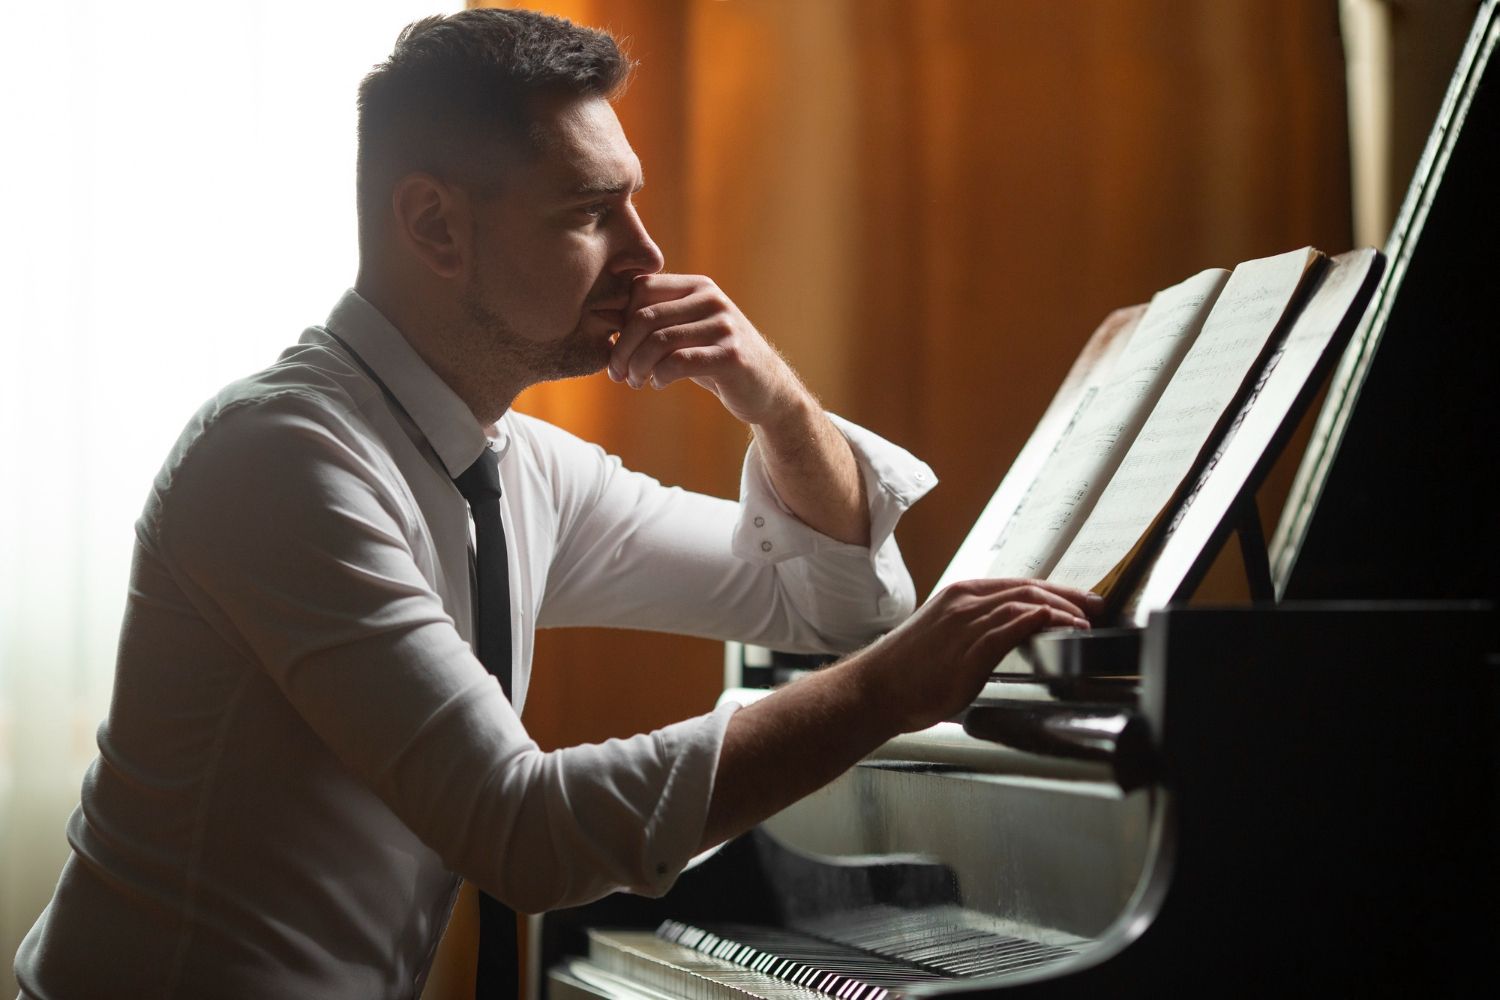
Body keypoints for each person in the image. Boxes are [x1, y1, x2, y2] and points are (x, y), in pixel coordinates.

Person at [13, 9, 1097, 999]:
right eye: (591, 212)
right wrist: (887, 692)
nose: (648, 255)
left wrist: (774, 401)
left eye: (631, 201)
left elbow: (826, 605)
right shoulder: (281, 460)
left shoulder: (516, 463)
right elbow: (521, 831)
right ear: (434, 226)